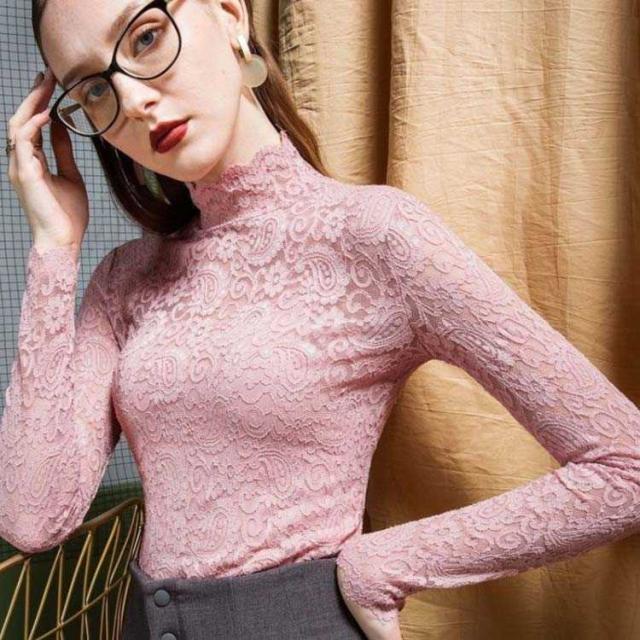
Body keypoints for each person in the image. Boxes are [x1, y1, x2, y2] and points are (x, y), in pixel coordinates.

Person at [3, 1, 640, 639]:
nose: (134, 101)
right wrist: (54, 248)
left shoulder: (375, 236)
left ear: (229, 15)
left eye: (145, 38)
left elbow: (625, 464)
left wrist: (384, 564)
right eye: (94, 90)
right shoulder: (123, 279)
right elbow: (33, 517)